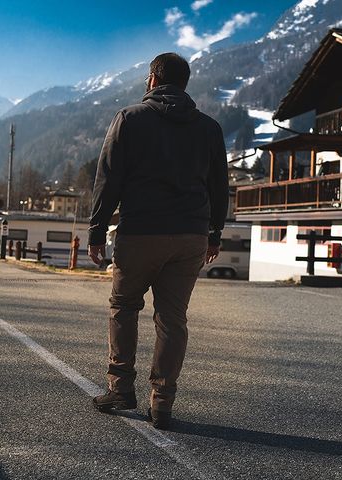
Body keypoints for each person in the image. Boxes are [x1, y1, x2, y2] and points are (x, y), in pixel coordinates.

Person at [87, 52, 229, 430]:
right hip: (190, 237)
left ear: (152, 79)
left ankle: (120, 389)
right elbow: (219, 185)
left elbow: (108, 178)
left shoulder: (129, 119)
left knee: (124, 306)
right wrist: (214, 232)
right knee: (172, 319)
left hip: (141, 232)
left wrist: (97, 231)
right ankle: (162, 403)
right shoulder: (209, 128)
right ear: (185, 84)